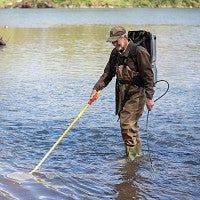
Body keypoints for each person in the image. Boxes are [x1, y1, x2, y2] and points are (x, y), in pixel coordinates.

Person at [90, 26, 155, 161]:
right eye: (112, 42)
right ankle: (136, 155)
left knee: (127, 123)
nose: (114, 44)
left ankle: (132, 158)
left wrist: (149, 98)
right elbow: (107, 74)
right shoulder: (115, 53)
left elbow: (148, 76)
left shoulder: (139, 52)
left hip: (137, 92)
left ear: (124, 37)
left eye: (116, 41)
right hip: (122, 92)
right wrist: (96, 88)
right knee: (130, 124)